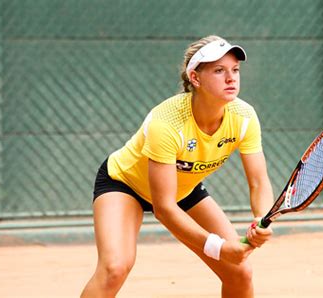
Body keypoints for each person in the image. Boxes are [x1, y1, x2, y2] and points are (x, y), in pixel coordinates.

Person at [81, 35, 274, 298]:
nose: (231, 78)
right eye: (219, 71)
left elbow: (258, 182)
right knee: (115, 267)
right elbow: (164, 208)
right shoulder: (167, 122)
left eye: (235, 70)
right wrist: (218, 247)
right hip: (125, 184)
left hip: (184, 186)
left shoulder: (244, 117)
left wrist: (261, 220)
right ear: (195, 78)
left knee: (240, 271)